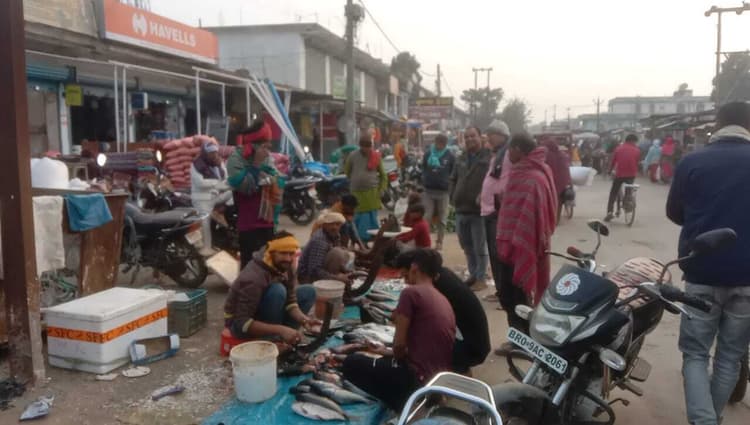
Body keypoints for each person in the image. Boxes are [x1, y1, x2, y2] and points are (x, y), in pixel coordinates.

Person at [666, 101, 750, 425]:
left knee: (695, 354)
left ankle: (704, 421)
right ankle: (709, 419)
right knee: (729, 356)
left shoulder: (692, 161)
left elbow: (674, 213)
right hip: (747, 278)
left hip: (701, 272)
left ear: (717, 123)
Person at [342, 249, 455, 411]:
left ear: (414, 268)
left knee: (351, 363)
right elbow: (423, 347)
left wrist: (392, 353)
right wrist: (385, 351)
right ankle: (422, 397)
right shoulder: (442, 298)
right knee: (382, 360)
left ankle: (405, 402)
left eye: (405, 273)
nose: (404, 277)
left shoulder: (410, 293)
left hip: (416, 380)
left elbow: (399, 345)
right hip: (437, 379)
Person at [495, 133, 557, 356]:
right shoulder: (525, 172)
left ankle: (523, 342)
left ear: (518, 149)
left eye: (510, 149)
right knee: (507, 294)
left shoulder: (533, 178)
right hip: (510, 244)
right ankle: (520, 339)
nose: (507, 154)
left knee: (516, 296)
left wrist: (524, 243)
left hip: (524, 245)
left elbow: (535, 216)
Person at [395, 249, 490, 374]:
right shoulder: (440, 275)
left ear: (415, 270)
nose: (406, 282)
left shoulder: (436, 287)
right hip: (476, 344)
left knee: (416, 346)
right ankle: (460, 372)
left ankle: (454, 374)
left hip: (471, 349)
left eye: (406, 276)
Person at [224, 232, 321, 343]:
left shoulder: (287, 266)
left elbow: (291, 301)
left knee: (309, 291)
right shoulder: (254, 276)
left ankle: (285, 335)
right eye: (283, 253)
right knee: (277, 290)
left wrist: (305, 320)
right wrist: (280, 330)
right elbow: (241, 323)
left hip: (267, 311)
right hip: (241, 325)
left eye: (291, 253)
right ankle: (273, 338)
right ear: (271, 252)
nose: (288, 258)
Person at [227, 119, 283, 268]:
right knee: (250, 266)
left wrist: (273, 180)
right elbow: (246, 188)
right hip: (249, 224)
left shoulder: (267, 158)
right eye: (265, 145)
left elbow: (276, 179)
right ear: (254, 145)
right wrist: (256, 164)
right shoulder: (236, 159)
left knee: (269, 264)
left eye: (269, 146)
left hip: (267, 222)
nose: (268, 150)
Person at [450, 125, 491, 291]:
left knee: (479, 247)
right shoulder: (461, 157)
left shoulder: (488, 157)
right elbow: (453, 178)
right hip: (460, 209)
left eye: (473, 136)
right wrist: (452, 195)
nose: (469, 139)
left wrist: (484, 195)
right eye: (466, 137)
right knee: (466, 246)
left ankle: (481, 278)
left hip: (478, 211)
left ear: (480, 137)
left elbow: (492, 180)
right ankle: (473, 275)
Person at [479, 120, 511, 303]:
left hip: (497, 212)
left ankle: (505, 294)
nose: (488, 138)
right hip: (490, 209)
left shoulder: (508, 154)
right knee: (494, 254)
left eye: (491, 134)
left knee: (499, 255)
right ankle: (501, 291)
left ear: (501, 135)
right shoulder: (498, 154)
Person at [191, 142, 232, 255]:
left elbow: (226, 179)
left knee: (234, 193)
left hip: (216, 195)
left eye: (215, 152)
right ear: (205, 153)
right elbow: (200, 183)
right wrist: (217, 183)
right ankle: (206, 247)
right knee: (205, 220)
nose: (214, 155)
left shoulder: (218, 163)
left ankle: (221, 213)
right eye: (211, 153)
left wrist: (221, 168)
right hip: (202, 198)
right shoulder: (196, 165)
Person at [345, 134, 387, 242]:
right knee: (357, 218)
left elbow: (383, 175)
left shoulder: (375, 156)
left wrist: (381, 189)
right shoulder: (352, 156)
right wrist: (355, 180)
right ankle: (358, 240)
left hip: (372, 194)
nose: (367, 149)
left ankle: (370, 240)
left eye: (369, 147)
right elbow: (347, 171)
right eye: (364, 147)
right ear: (360, 146)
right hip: (356, 193)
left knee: (371, 218)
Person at [421, 133, 455, 250]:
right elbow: (423, 167)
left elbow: (453, 171)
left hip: (443, 192)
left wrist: (448, 184)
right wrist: (425, 178)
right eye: (438, 143)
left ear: (445, 144)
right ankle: (425, 241)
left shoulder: (450, 156)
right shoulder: (428, 154)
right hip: (428, 191)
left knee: (442, 219)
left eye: (442, 144)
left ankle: (439, 242)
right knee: (427, 217)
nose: (439, 146)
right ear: (435, 142)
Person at [298, 211, 352, 284]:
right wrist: (337, 278)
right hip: (307, 277)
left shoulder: (335, 235)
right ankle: (327, 282)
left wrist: (346, 271)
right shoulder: (320, 240)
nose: (334, 227)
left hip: (322, 270)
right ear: (324, 225)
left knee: (345, 253)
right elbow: (314, 270)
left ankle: (333, 277)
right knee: (337, 253)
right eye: (331, 224)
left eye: (337, 224)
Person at [604, 134, 640, 222]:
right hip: (631, 175)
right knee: (629, 191)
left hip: (619, 174)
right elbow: (637, 162)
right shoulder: (637, 150)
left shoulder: (618, 149)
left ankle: (610, 212)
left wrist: (609, 170)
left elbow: (613, 161)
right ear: (633, 141)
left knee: (613, 192)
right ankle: (628, 204)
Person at [541, 136, 572, 222]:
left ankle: (549, 218)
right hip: (561, 182)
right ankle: (557, 219)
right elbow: (566, 169)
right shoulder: (563, 155)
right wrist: (568, 182)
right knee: (559, 202)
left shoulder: (545, 156)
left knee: (548, 201)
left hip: (549, 182)